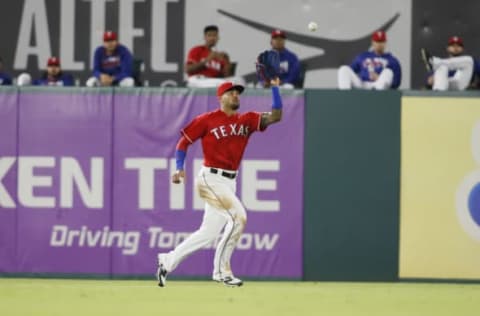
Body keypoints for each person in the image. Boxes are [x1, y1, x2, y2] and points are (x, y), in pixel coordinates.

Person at [156, 78, 283, 287]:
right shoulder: (207, 119)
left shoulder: (248, 120)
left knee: (208, 233)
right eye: (231, 92)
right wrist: (179, 167)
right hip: (210, 179)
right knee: (239, 217)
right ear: (220, 97)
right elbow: (183, 142)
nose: (236, 95)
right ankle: (221, 271)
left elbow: (276, 116)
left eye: (237, 92)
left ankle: (167, 261)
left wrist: (275, 88)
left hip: (229, 181)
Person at [337, 30, 402, 90]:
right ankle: (345, 97)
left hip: (378, 86)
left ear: (385, 43)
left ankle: (380, 98)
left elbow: (396, 83)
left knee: (388, 72)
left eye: (381, 42)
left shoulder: (392, 60)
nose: (379, 44)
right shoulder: (363, 56)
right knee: (343, 69)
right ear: (373, 42)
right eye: (377, 41)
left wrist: (379, 78)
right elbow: (351, 70)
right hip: (362, 84)